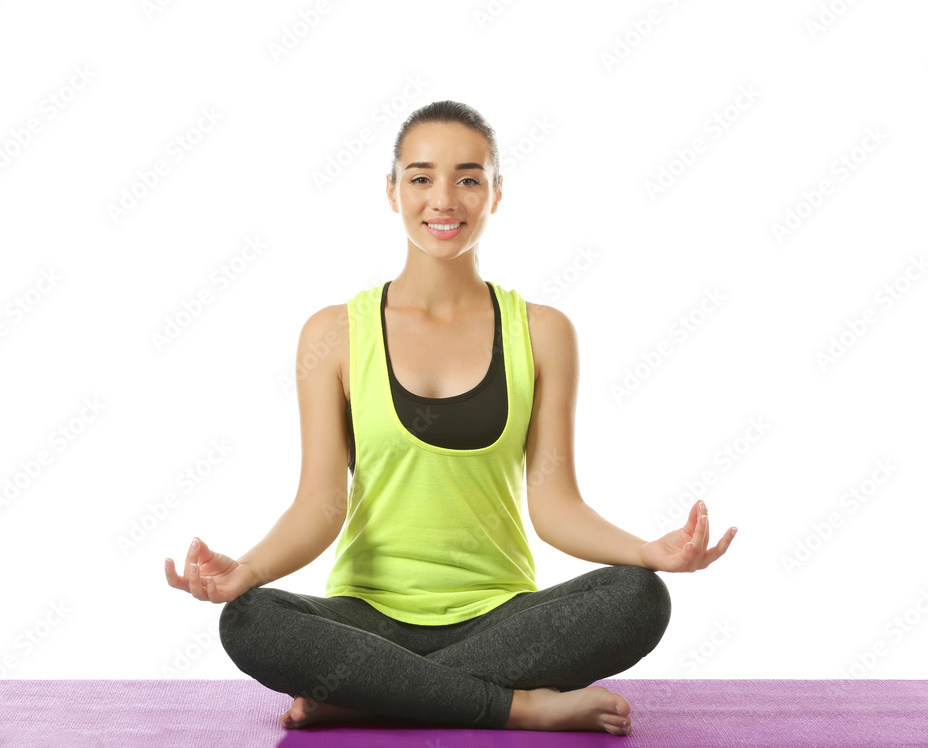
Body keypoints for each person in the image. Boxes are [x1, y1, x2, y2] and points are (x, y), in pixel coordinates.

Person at [164, 100, 737, 735]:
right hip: (366, 619)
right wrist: (247, 570)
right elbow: (318, 506)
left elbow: (555, 505)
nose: (444, 199)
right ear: (391, 192)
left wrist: (647, 551)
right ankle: (514, 707)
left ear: (496, 194)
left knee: (639, 598)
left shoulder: (543, 332)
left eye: (468, 178)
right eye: (420, 178)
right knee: (247, 618)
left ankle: (373, 696)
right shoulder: (334, 334)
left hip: (500, 617)